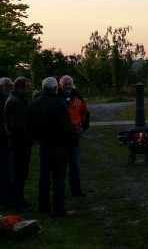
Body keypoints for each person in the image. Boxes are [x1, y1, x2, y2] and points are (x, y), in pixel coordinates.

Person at [27, 77, 77, 217]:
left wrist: (37, 137)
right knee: (59, 178)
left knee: (44, 176)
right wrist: (73, 138)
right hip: (59, 145)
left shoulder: (34, 103)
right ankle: (59, 208)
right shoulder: (59, 103)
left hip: (44, 144)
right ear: (55, 88)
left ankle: (43, 206)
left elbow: (29, 124)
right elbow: (66, 125)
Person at [4, 77, 34, 211]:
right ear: (21, 87)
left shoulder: (15, 99)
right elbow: (18, 126)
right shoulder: (16, 102)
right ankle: (17, 202)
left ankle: (19, 199)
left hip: (18, 143)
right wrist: (29, 137)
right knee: (19, 174)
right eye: (28, 87)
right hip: (19, 144)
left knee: (20, 174)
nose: (30, 89)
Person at [59, 75, 89, 198]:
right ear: (60, 85)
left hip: (74, 136)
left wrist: (84, 126)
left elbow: (85, 112)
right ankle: (60, 191)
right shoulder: (57, 98)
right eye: (65, 84)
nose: (67, 86)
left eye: (69, 83)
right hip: (61, 136)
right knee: (61, 166)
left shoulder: (78, 97)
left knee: (75, 165)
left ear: (72, 84)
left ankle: (76, 190)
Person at [0, 77, 12, 209]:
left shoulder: (7, 99)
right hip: (3, 140)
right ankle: (5, 197)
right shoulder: (5, 100)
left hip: (5, 139)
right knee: (5, 170)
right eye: (7, 86)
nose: (9, 88)